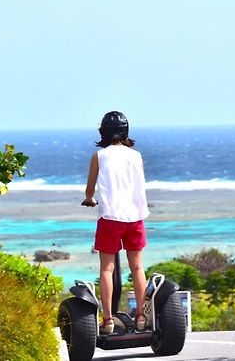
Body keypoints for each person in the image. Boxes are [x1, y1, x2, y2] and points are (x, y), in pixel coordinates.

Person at [83, 111, 150, 334]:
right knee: (137, 267)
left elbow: (90, 188)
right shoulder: (136, 155)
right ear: (126, 131)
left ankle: (108, 319)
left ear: (103, 132)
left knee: (106, 269)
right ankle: (141, 316)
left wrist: (90, 199)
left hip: (110, 218)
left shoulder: (99, 156)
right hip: (135, 218)